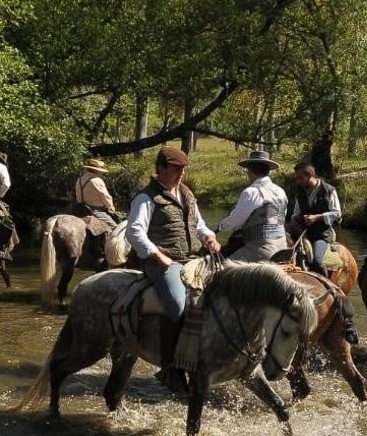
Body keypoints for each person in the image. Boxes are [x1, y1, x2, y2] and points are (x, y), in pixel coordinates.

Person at [126, 146, 221, 389]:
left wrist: (209, 237)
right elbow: (134, 232)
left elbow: (199, 224)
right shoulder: (146, 197)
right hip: (161, 262)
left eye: (183, 170)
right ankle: (170, 367)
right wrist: (156, 255)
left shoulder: (187, 193)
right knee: (178, 304)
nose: (181, 174)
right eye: (176, 169)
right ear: (160, 169)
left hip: (192, 259)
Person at [217, 149, 289, 262]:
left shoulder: (252, 192)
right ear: (268, 171)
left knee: (224, 270)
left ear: (250, 171)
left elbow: (236, 221)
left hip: (260, 249)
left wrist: (220, 227)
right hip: (282, 247)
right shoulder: (281, 191)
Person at [287, 161, 342, 275]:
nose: (298, 181)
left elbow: (337, 214)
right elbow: (296, 213)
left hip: (321, 234)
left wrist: (317, 218)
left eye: (300, 178)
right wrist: (294, 219)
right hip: (302, 233)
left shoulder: (329, 190)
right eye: (297, 178)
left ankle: (328, 287)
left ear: (310, 175)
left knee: (317, 261)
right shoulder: (301, 191)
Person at [73, 158, 118, 227]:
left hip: (80, 209)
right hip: (95, 211)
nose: (102, 173)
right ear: (96, 171)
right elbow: (106, 197)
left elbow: (78, 196)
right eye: (101, 171)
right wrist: (111, 209)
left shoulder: (79, 179)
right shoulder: (97, 181)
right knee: (115, 228)